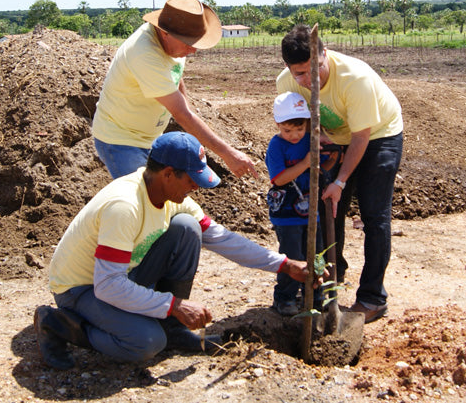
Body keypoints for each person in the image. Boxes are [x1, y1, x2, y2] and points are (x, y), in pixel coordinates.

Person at [34, 131, 315, 369]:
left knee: (188, 228)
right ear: (168, 173)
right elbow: (107, 286)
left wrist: (285, 264)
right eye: (191, 179)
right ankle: (61, 325)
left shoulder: (169, 195)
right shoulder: (125, 206)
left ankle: (172, 327)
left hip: (120, 275)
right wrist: (174, 305)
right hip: (81, 288)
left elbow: (222, 238)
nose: (196, 187)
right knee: (146, 343)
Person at [276, 24, 403, 324]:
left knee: (373, 216)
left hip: (377, 137)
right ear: (288, 69)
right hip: (334, 139)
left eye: (315, 69)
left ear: (325, 53)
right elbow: (298, 124)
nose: (310, 80)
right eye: (300, 74)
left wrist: (341, 181)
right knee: (327, 211)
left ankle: (372, 297)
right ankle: (331, 282)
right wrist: (316, 138)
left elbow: (361, 137)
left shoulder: (354, 79)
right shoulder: (286, 83)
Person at [92, 0, 258, 180]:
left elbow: (176, 76)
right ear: (165, 33)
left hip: (149, 138)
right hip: (120, 140)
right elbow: (182, 115)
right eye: (189, 44)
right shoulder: (144, 54)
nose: (193, 50)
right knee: (145, 198)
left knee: (162, 194)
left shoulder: (174, 42)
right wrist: (228, 153)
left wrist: (190, 115)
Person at [265, 92, 337, 316]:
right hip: (286, 213)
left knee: (316, 253)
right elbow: (279, 179)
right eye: (287, 130)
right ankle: (285, 297)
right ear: (278, 124)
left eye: (299, 129)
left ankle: (314, 295)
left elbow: (323, 165)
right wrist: (306, 163)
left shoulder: (310, 140)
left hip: (311, 210)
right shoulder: (277, 146)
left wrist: (333, 156)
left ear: (307, 123)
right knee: (292, 255)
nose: (294, 135)